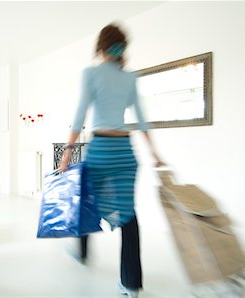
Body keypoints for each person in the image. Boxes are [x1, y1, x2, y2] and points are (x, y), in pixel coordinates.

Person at [59, 24, 166, 298]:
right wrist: (154, 153)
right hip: (126, 153)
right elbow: (142, 119)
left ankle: (82, 253)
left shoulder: (91, 73)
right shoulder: (129, 78)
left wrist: (67, 153)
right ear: (122, 48)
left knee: (85, 202)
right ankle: (131, 284)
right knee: (128, 215)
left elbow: (81, 113)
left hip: (102, 149)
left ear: (100, 47)